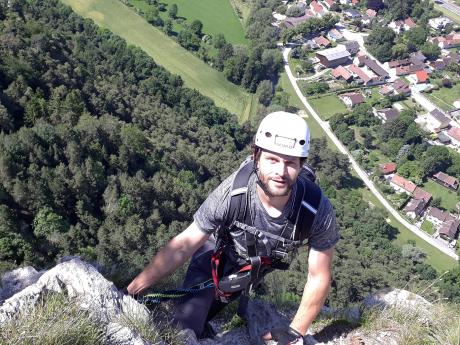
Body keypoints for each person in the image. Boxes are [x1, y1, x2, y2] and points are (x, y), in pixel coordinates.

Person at [127, 111, 339, 344]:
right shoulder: (233, 195)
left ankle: (205, 325)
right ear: (256, 157)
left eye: (290, 163)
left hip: (250, 268)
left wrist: (296, 330)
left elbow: (318, 276)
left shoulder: (315, 210)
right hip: (216, 253)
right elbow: (183, 246)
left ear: (301, 166)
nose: (280, 171)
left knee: (210, 311)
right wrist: (132, 292)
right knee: (183, 331)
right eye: (272, 160)